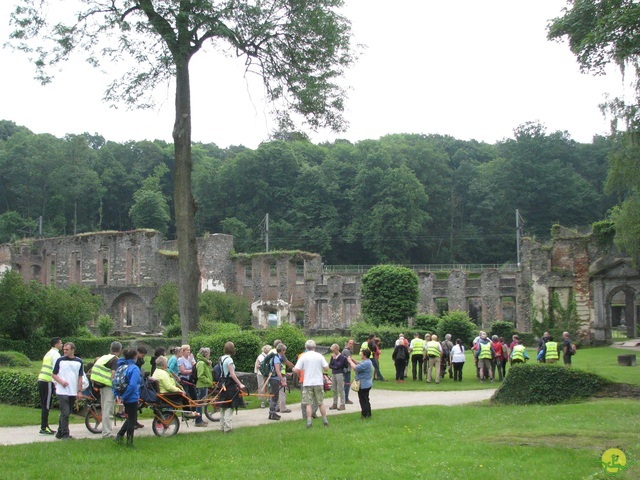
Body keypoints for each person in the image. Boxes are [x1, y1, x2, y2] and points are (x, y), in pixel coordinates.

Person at [293, 340, 330, 428]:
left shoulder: (303, 356)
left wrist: (293, 369)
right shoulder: (319, 356)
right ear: (315, 347)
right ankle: (324, 419)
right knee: (320, 402)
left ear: (306, 347)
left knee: (308, 403)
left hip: (307, 382)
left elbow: (296, 369)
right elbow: (326, 368)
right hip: (318, 382)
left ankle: (309, 421)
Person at [51, 342, 84, 440]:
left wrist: (79, 391)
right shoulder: (60, 360)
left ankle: (60, 432)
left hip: (72, 391)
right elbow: (54, 374)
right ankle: (65, 434)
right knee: (65, 412)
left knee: (67, 412)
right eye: (64, 350)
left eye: (67, 350)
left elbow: (80, 377)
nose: (64, 351)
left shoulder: (79, 362)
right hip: (62, 391)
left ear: (73, 350)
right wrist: (61, 382)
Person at [90, 340, 122, 438]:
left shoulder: (104, 357)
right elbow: (113, 375)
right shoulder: (115, 359)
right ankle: (107, 434)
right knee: (109, 410)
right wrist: (117, 387)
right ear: (120, 350)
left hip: (100, 384)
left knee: (105, 409)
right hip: (108, 386)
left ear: (110, 349)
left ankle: (105, 431)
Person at [113, 348, 141, 448]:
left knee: (129, 417)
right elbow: (133, 385)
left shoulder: (121, 367)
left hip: (121, 395)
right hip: (131, 397)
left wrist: (118, 396)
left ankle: (119, 436)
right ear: (135, 357)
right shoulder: (134, 368)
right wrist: (125, 397)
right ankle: (129, 442)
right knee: (132, 419)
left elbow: (114, 381)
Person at [216, 342, 246, 433]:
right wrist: (240, 384)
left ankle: (222, 427)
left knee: (223, 406)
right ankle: (227, 428)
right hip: (229, 384)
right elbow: (232, 374)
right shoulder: (229, 360)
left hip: (223, 383)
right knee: (229, 405)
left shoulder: (222, 358)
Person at [37, 337, 62, 436]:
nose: (62, 345)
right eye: (60, 343)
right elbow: (55, 370)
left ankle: (45, 427)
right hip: (47, 381)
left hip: (42, 379)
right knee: (46, 405)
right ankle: (44, 428)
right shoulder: (56, 355)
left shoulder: (48, 353)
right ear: (56, 344)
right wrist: (56, 383)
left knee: (45, 404)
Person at [347, 348, 373, 419]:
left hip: (363, 385)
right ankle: (368, 413)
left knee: (363, 400)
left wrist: (349, 361)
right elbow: (359, 363)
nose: (361, 354)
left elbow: (355, 367)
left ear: (364, 355)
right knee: (366, 399)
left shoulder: (366, 363)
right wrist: (353, 360)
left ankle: (364, 414)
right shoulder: (367, 361)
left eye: (362, 353)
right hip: (367, 384)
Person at [268, 343, 287, 421]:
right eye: (284, 351)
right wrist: (282, 380)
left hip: (273, 378)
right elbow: (277, 370)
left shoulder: (276, 357)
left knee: (274, 396)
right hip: (274, 379)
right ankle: (272, 413)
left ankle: (271, 413)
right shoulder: (276, 358)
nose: (285, 352)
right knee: (275, 396)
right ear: (282, 351)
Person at [194, 347, 213, 427]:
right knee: (200, 404)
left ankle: (199, 419)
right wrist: (209, 382)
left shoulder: (204, 362)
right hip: (202, 385)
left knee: (200, 403)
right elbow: (201, 376)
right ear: (205, 354)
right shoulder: (201, 363)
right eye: (208, 354)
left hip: (204, 385)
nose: (209, 355)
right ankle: (198, 421)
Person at [328, 343, 346, 410]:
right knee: (334, 389)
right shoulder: (332, 356)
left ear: (337, 349)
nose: (333, 352)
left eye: (334, 350)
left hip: (339, 373)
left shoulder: (342, 357)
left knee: (341, 388)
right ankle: (334, 403)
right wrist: (334, 366)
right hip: (334, 373)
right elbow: (330, 365)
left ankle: (342, 404)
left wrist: (335, 360)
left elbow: (339, 365)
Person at [342, 339, 355, 405]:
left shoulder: (347, 350)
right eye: (350, 343)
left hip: (347, 369)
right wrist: (355, 365)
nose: (351, 345)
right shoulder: (346, 351)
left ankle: (345, 398)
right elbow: (350, 359)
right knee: (347, 384)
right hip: (346, 370)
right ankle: (345, 399)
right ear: (347, 343)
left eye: (352, 344)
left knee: (346, 384)